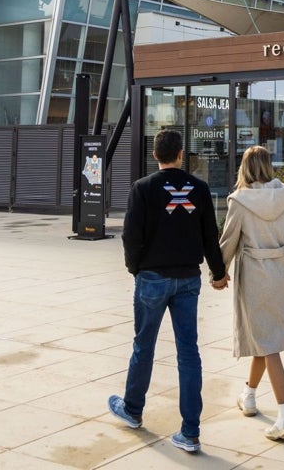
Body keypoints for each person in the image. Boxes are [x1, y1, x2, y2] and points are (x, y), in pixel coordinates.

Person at [108, 129, 229, 454]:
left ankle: (132, 410)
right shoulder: (199, 189)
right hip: (188, 279)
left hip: (152, 278)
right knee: (188, 352)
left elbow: (131, 236)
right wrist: (218, 273)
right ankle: (190, 433)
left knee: (143, 346)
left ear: (155, 156)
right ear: (180, 155)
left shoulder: (143, 189)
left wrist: (136, 269)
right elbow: (210, 236)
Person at [218, 145, 284, 441]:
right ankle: (249, 395)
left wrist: (219, 273)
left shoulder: (239, 201)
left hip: (254, 276)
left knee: (268, 344)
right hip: (282, 272)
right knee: (264, 338)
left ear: (244, 168)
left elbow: (228, 240)